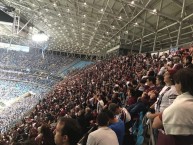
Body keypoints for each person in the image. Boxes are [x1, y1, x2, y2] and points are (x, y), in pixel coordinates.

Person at [152, 68, 193, 145]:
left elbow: (156, 123)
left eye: (176, 82)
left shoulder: (180, 104)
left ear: (180, 84)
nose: (164, 75)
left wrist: (151, 116)